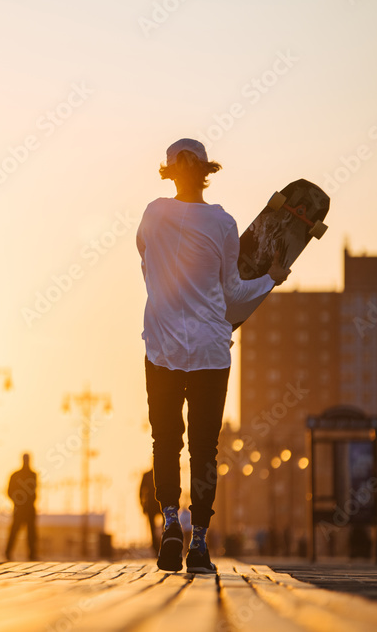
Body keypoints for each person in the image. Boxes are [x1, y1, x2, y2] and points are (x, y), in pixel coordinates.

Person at [136, 138, 289, 574]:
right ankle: (199, 542)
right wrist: (271, 280)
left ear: (169, 172)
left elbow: (144, 257)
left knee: (165, 440)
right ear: (207, 172)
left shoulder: (153, 214)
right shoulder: (222, 222)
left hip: (162, 347)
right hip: (209, 351)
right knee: (205, 448)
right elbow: (232, 291)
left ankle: (169, 524)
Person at [5, 453, 38, 561]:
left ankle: (32, 554)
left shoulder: (33, 475)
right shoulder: (15, 475)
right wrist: (17, 501)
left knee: (31, 533)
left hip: (29, 508)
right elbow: (9, 491)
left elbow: (34, 491)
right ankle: (8, 552)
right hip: (20, 508)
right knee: (14, 531)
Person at [139, 469, 162, 553]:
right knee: (158, 527)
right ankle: (157, 547)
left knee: (155, 528)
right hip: (155, 504)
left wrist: (142, 505)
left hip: (156, 504)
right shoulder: (160, 473)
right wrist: (142, 505)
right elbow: (141, 492)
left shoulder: (147, 475)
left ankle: (158, 546)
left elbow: (140, 492)